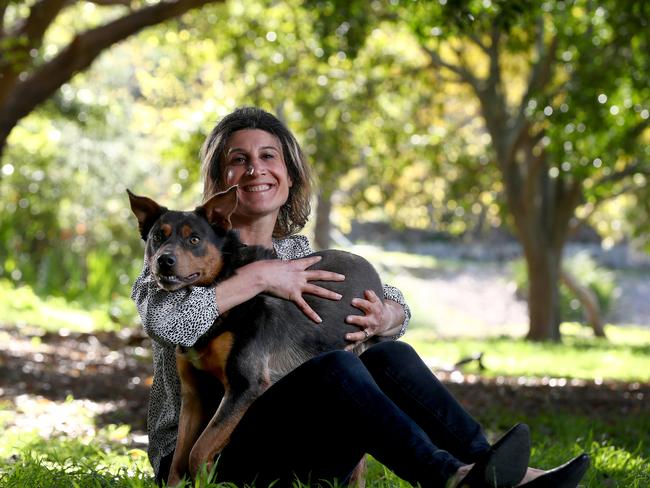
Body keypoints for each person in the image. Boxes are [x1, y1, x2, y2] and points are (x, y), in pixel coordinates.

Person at [131, 107, 589, 488]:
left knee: (390, 356)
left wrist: (389, 314)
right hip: (215, 460)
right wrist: (259, 277)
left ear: (289, 177)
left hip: (302, 448)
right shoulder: (176, 253)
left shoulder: (299, 254)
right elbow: (170, 326)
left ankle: (497, 472)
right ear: (218, 180)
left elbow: (389, 302)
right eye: (239, 159)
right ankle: (447, 478)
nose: (255, 169)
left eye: (269, 156)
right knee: (337, 368)